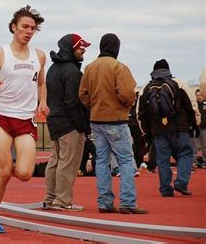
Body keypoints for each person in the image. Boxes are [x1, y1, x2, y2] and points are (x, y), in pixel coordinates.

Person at [0, 5, 49, 233]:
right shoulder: (0, 54)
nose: (28, 31)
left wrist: (43, 102)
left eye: (33, 29)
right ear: (14, 27)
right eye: (25, 27)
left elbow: (41, 82)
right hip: (2, 117)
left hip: (25, 119)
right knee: (5, 171)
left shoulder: (39, 56)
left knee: (25, 173)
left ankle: (1, 176)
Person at [79, 33, 147, 214]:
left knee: (101, 160)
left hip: (96, 120)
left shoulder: (90, 68)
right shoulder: (119, 67)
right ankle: (127, 202)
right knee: (125, 160)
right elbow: (127, 94)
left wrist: (95, 105)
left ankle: (105, 203)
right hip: (116, 119)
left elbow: (83, 95)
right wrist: (124, 105)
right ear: (116, 48)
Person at [42, 34, 91, 212]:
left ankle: (51, 198)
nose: (83, 50)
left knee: (55, 161)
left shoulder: (53, 69)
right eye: (81, 47)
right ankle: (62, 201)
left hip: (54, 121)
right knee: (68, 163)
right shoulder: (73, 71)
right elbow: (73, 102)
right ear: (72, 49)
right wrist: (82, 126)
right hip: (69, 124)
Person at [138, 59, 198, 197]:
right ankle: (181, 182)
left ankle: (165, 188)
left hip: (158, 130)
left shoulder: (146, 88)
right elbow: (192, 106)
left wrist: (147, 132)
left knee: (162, 159)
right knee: (185, 154)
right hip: (179, 128)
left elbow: (140, 114)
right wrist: (194, 124)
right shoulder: (179, 83)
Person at [196, 89, 206, 168]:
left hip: (204, 128)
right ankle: (194, 161)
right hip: (195, 127)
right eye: (197, 95)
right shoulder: (194, 105)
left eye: (200, 95)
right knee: (194, 146)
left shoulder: (205, 104)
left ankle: (205, 161)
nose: (198, 97)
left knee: (204, 146)